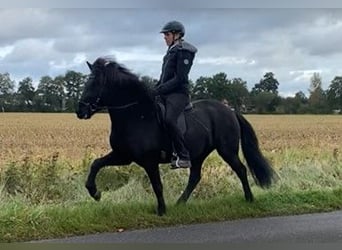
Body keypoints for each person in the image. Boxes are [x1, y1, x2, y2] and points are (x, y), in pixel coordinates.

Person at [153, 20, 197, 169]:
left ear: (177, 35)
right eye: (164, 34)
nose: (164, 37)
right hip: (166, 92)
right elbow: (164, 75)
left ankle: (184, 156)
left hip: (178, 93)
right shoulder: (171, 50)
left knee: (170, 120)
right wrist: (154, 89)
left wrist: (160, 89)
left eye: (167, 34)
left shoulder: (184, 51)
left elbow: (180, 79)